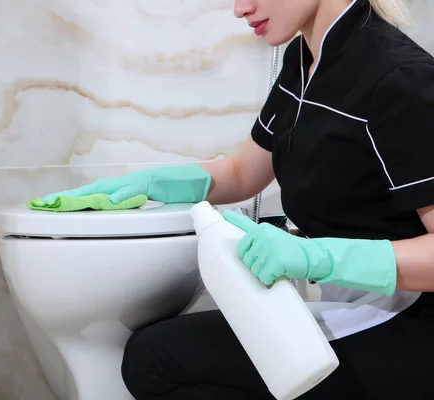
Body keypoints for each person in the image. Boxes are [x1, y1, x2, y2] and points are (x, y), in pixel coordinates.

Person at [43, 0, 434, 398]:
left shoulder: (401, 78)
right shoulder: (305, 59)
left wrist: (318, 258)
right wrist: (153, 183)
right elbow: (243, 173)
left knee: (158, 362)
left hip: (408, 330)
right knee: (152, 357)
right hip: (355, 309)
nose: (240, 8)